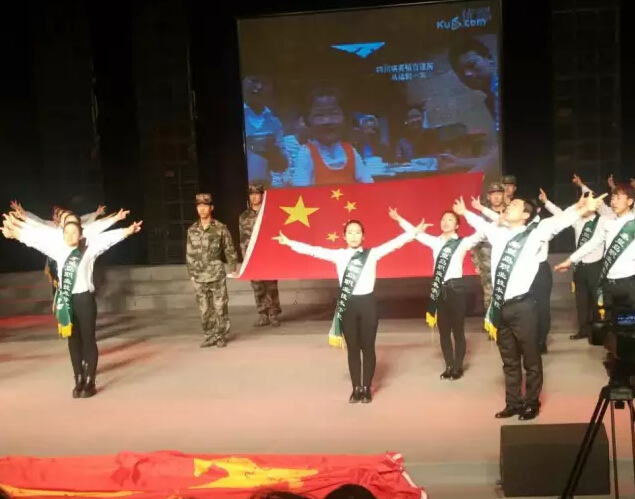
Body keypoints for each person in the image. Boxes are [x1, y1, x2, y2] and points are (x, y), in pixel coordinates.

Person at [454, 192, 605, 420]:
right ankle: (513, 402)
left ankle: (531, 402)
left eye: (514, 204)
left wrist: (582, 208)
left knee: (531, 359)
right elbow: (482, 225)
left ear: (525, 215)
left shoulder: (535, 234)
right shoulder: (498, 233)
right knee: (509, 360)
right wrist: (465, 212)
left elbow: (559, 222)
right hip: (500, 306)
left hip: (523, 307)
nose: (508, 206)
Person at [272, 216, 424, 403]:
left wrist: (414, 231)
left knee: (368, 347)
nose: (353, 236)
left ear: (363, 236)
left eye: (357, 232)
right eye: (350, 232)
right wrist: (289, 243)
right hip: (348, 305)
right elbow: (314, 251)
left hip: (368, 304)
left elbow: (395, 243)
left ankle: (367, 387)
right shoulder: (339, 255)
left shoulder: (372, 254)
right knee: (353, 349)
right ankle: (356, 388)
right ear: (344, 236)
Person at [2, 212, 142, 398]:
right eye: (66, 233)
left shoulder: (89, 249)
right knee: (73, 341)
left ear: (81, 235)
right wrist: (15, 233)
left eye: (74, 233)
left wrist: (128, 231)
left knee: (88, 339)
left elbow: (108, 240)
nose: (69, 236)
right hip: (67, 300)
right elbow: (36, 241)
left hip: (85, 300)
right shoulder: (58, 250)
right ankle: (78, 379)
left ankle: (90, 381)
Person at [390, 208, 484, 380]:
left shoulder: (462, 242)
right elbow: (416, 234)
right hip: (439, 289)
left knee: (458, 330)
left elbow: (482, 233)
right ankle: (449, 366)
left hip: (456, 288)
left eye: (450, 220)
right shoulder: (436, 242)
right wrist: (399, 219)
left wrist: (467, 213)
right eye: (443, 219)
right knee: (444, 331)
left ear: (457, 225)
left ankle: (457, 367)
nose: (445, 222)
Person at [555, 184, 635, 321]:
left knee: (629, 322)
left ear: (630, 201)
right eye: (613, 198)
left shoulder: (632, 223)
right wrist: (570, 260)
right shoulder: (607, 221)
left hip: (629, 281)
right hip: (608, 282)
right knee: (611, 321)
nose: (614, 202)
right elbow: (592, 243)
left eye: (619, 198)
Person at [541, 184, 602, 340]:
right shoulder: (578, 221)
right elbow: (561, 215)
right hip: (579, 266)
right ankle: (583, 329)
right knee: (581, 300)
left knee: (597, 300)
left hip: (596, 266)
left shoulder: (601, 221)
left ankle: (598, 333)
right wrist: (546, 202)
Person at [292, 84, 373, 186]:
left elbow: (368, 185)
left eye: (334, 114)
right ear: (308, 121)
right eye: (319, 115)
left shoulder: (351, 152)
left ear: (345, 118)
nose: (327, 121)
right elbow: (299, 191)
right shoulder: (306, 154)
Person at [186, 193, 239, 348]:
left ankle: (220, 335)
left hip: (216, 273)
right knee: (204, 309)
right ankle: (209, 335)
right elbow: (189, 253)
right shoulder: (192, 230)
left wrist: (233, 267)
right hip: (199, 275)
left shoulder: (220, 228)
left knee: (220, 307)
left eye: (205, 206)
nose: (202, 209)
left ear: (211, 208)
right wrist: (191, 274)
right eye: (199, 206)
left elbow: (229, 249)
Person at [239, 183, 281, 327]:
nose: (254, 197)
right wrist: (246, 259)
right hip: (253, 256)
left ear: (262, 195)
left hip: (268, 255)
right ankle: (263, 314)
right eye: (251, 194)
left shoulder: (269, 213)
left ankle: (273, 314)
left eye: (257, 194)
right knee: (258, 287)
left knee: (271, 286)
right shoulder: (243, 217)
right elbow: (242, 239)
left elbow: (275, 235)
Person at [470, 182, 506, 316]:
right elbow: (475, 241)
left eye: (499, 193)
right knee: (489, 292)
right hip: (487, 260)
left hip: (506, 258)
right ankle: (491, 321)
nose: (496, 197)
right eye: (493, 194)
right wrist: (476, 262)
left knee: (508, 291)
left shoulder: (511, 212)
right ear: (488, 197)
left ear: (504, 195)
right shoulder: (482, 216)